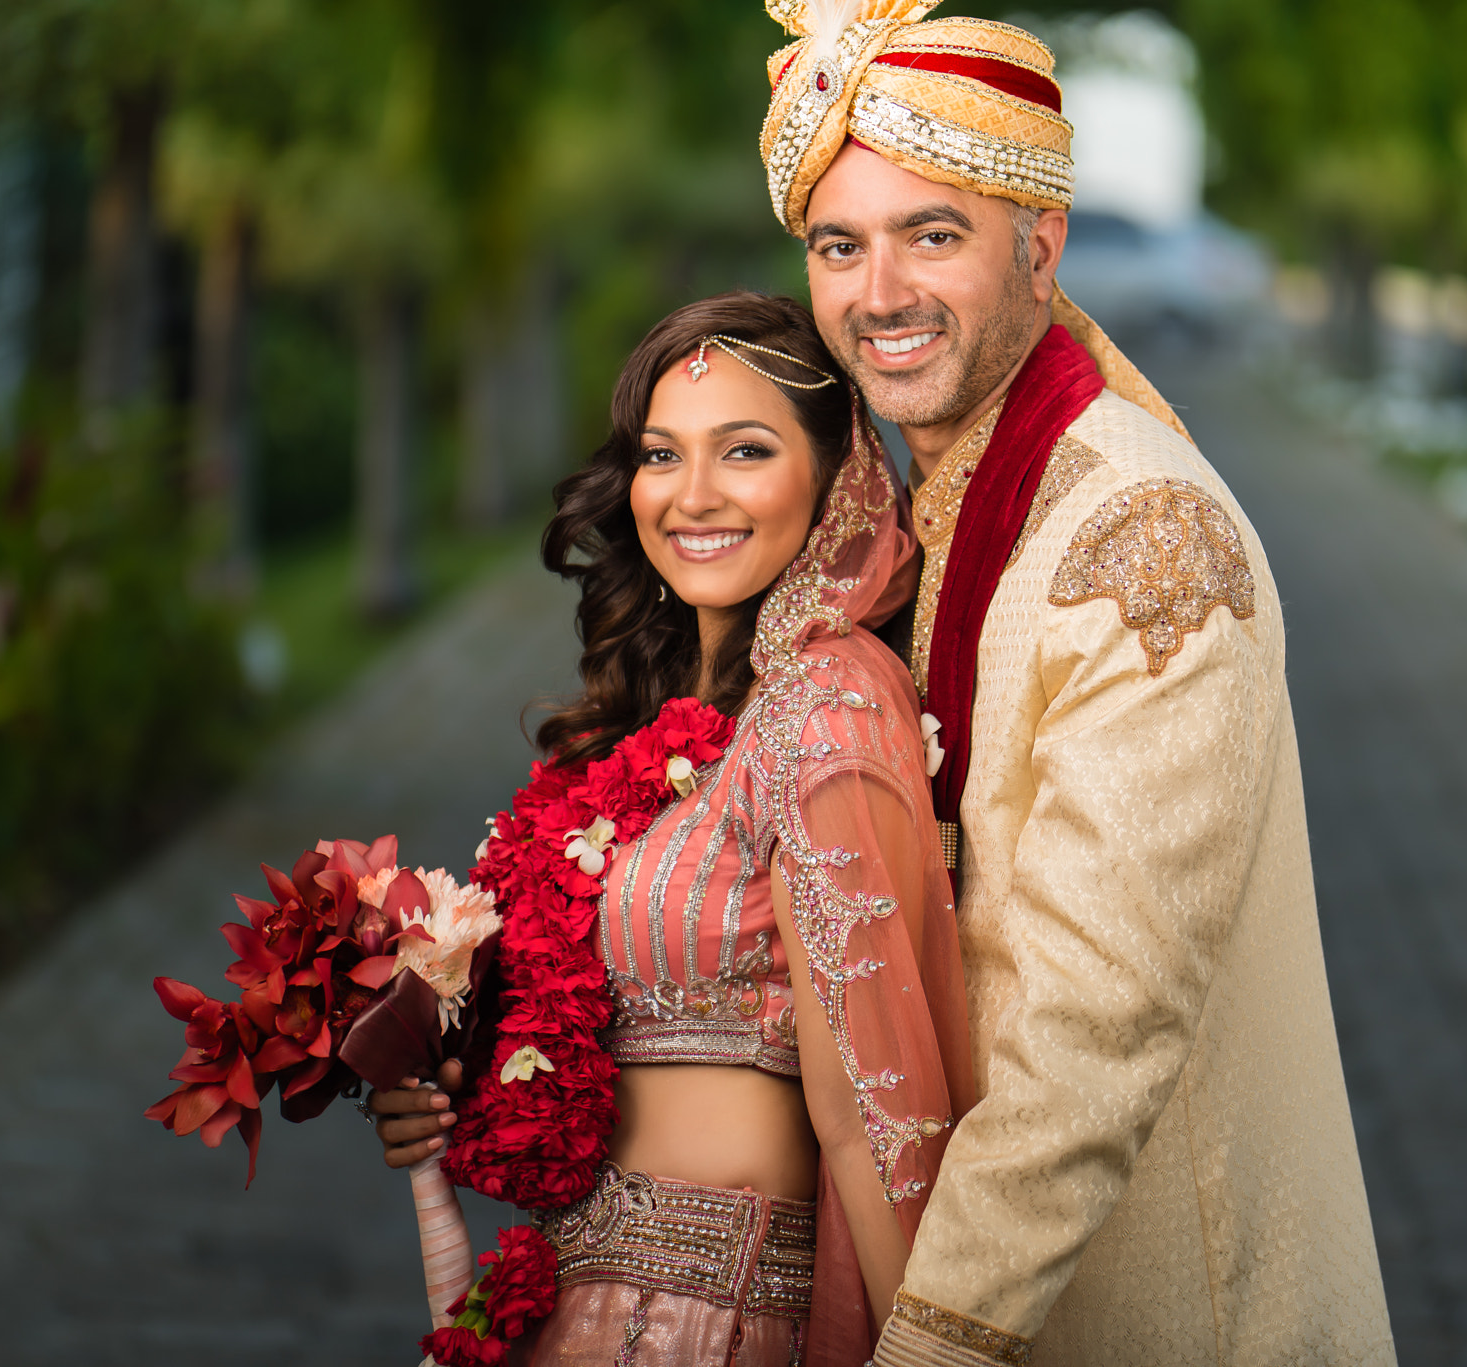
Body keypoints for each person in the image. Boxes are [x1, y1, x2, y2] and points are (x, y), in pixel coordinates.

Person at [753, 3, 1399, 1364]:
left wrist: (920, 1343)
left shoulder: (1146, 539)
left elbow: (1089, 1036)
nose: (880, 292)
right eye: (839, 245)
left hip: (1168, 1312)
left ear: (1041, 250)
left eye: (934, 234)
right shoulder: (933, 501)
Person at [375, 291, 973, 1365]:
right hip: (570, 1301)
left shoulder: (821, 705)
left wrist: (929, 1354)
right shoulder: (647, 729)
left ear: (835, 480)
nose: (691, 496)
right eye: (661, 454)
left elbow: (869, 1120)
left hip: (708, 1322)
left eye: (742, 450)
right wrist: (451, 1094)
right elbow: (588, 1042)